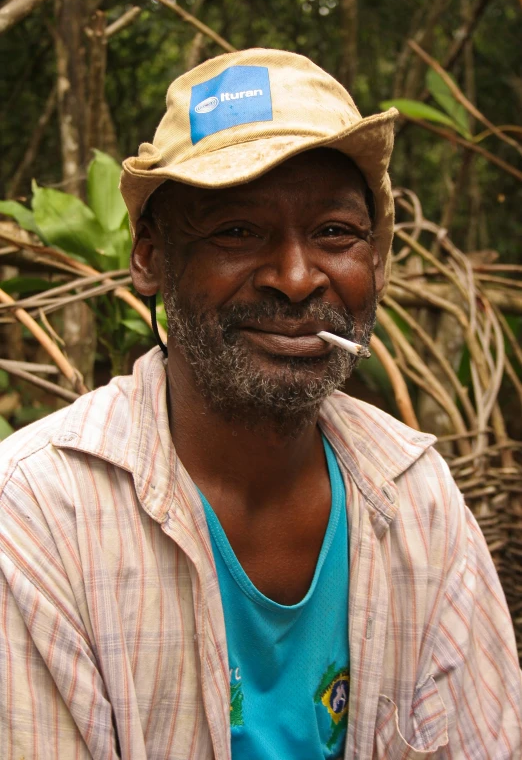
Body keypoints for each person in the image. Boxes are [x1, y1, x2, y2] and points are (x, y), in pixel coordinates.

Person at [0, 48, 520, 760]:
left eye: (335, 233)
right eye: (237, 231)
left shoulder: (418, 503)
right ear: (150, 256)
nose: (299, 278)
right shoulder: (36, 517)